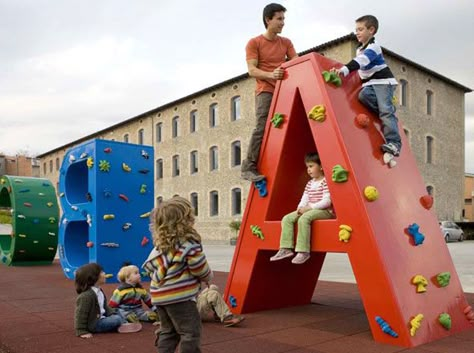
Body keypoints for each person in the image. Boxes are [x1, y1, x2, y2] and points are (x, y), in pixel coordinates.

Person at [142, 196, 213, 353]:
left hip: (159, 296)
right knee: (190, 332)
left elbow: (150, 268)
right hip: (179, 297)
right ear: (184, 221)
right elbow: (199, 268)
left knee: (168, 332)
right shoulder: (189, 244)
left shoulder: (160, 246)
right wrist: (208, 277)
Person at [241, 3, 298, 182]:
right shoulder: (254, 43)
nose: (283, 23)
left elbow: (296, 62)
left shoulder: (286, 42)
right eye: (279, 19)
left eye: (283, 19)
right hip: (266, 90)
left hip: (284, 91)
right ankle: (248, 167)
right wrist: (271, 74)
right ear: (268, 20)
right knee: (262, 126)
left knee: (287, 126)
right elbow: (252, 70)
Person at [332, 15, 401, 158]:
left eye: (360, 29)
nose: (357, 32)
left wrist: (344, 70)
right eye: (356, 30)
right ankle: (387, 116)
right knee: (363, 96)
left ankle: (394, 143)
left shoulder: (374, 48)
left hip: (383, 82)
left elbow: (362, 61)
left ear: (371, 30)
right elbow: (361, 68)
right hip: (370, 84)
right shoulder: (359, 49)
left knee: (385, 110)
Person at [270, 153, 334, 264]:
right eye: (307, 167)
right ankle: (286, 248)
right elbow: (304, 198)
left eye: (311, 166)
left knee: (304, 219)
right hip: (309, 209)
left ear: (321, 166)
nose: (308, 170)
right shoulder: (309, 183)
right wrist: (300, 208)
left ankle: (303, 251)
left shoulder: (325, 181)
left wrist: (309, 208)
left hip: (325, 211)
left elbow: (327, 201)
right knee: (287, 218)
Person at [74, 262, 142, 338]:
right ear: (94, 277)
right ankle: (121, 324)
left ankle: (124, 324)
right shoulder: (86, 296)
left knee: (118, 311)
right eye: (102, 272)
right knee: (116, 319)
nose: (105, 273)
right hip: (94, 324)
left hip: (102, 318)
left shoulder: (99, 291)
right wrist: (81, 331)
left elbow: (105, 307)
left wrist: (113, 312)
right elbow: (80, 314)